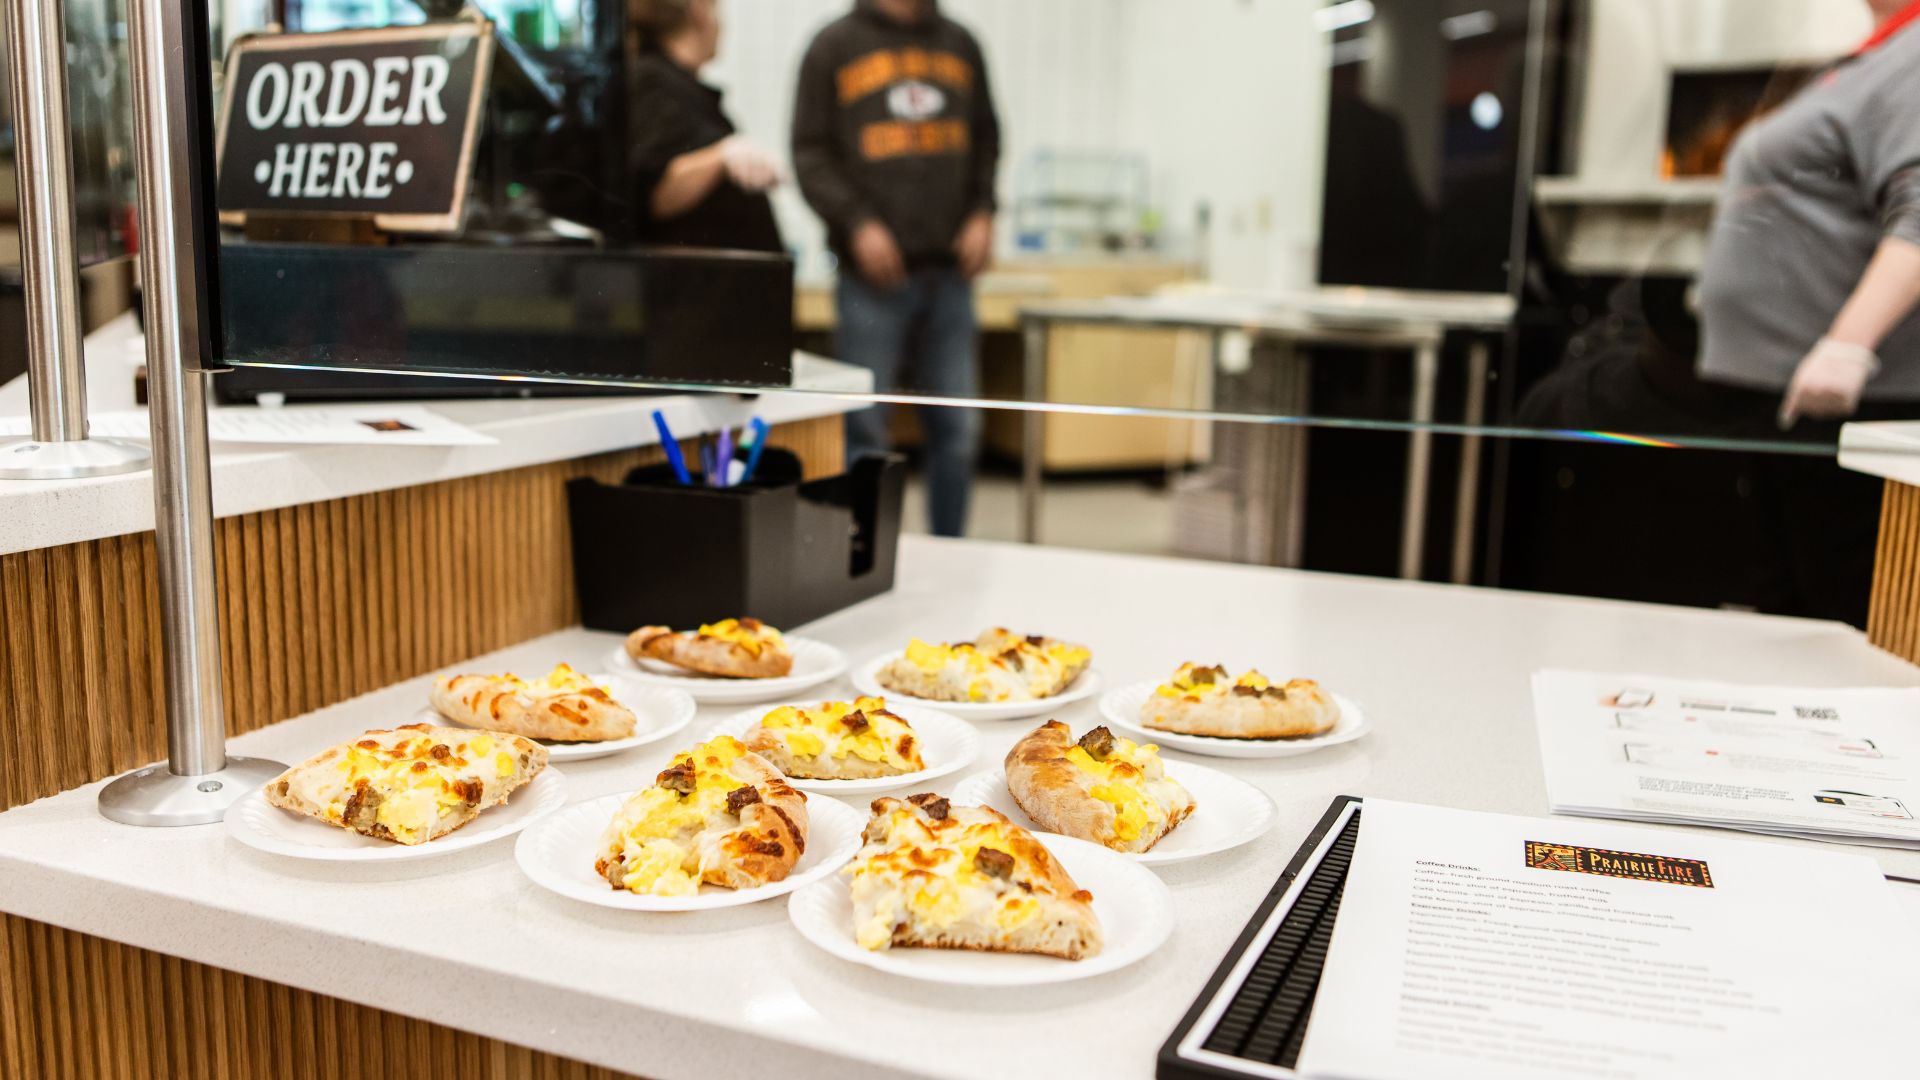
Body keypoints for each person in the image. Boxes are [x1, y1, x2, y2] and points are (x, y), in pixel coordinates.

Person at [1521, 0, 1920, 626]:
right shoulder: (1874, 59)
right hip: (1771, 402)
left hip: (1840, 407)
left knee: (1839, 615)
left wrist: (1848, 346)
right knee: (1785, 609)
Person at [791, 0, 1001, 538]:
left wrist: (983, 210)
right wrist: (857, 222)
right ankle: (868, 555)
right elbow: (809, 153)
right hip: (869, 281)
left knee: (958, 430)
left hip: (950, 274)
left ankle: (952, 550)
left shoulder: (961, 42)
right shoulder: (833, 46)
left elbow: (987, 139)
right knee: (864, 430)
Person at [624, 0, 784, 252]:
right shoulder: (653, 82)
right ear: (700, 11)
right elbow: (654, 190)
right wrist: (722, 156)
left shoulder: (676, 85)